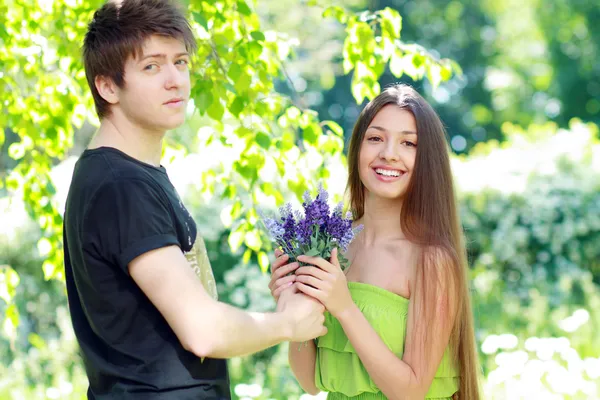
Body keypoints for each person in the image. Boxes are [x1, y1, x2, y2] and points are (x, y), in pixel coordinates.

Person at [63, 0, 326, 398]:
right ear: (107, 86)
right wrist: (289, 323)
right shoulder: (120, 185)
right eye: (152, 66)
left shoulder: (131, 175)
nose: (175, 80)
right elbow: (202, 330)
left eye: (181, 62)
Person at [269, 84, 481, 399]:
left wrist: (344, 307)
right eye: (376, 138)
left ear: (427, 160)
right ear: (357, 148)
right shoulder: (330, 246)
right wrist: (291, 305)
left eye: (408, 143)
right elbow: (311, 381)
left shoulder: (431, 259)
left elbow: (410, 392)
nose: (389, 153)